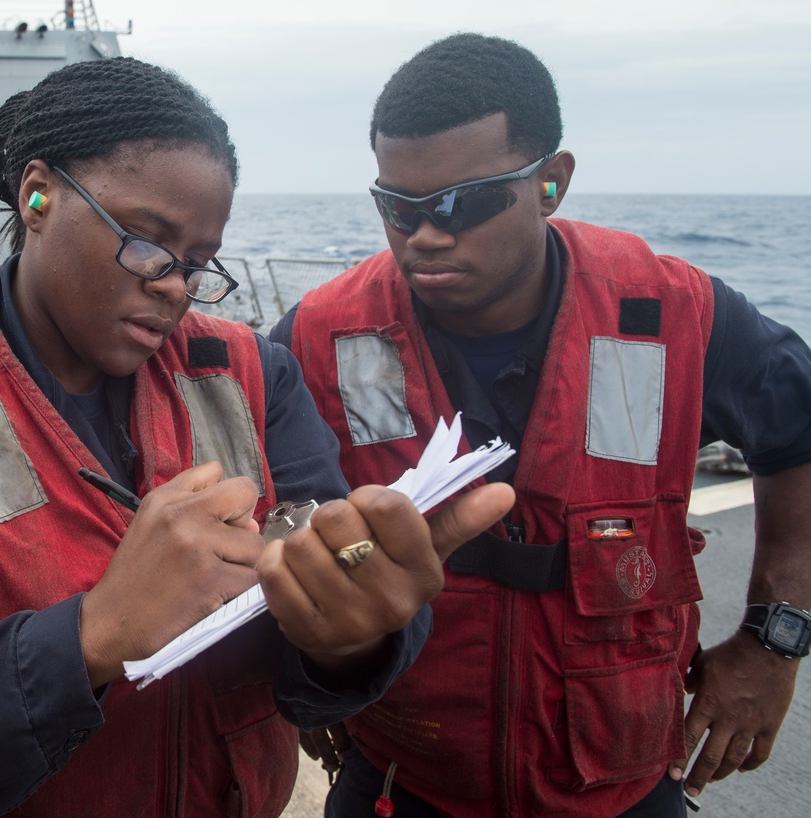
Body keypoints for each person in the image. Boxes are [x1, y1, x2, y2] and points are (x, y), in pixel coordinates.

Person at [0, 57, 513, 818]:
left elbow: (319, 645)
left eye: (199, 264)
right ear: (37, 194)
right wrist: (89, 635)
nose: (175, 286)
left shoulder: (254, 376)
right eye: (147, 245)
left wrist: (351, 637)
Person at [270, 33, 811, 818]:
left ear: (550, 182)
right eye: (399, 207)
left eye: (463, 202)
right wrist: (315, 669)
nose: (424, 234)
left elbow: (797, 437)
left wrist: (773, 641)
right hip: (403, 777)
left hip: (620, 784)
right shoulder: (320, 335)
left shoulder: (674, 314)